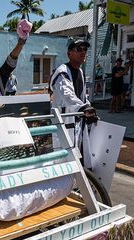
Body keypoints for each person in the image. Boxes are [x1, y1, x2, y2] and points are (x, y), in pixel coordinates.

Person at [49, 39, 98, 168]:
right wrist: (84, 108)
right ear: (69, 53)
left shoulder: (80, 72)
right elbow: (67, 94)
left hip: (76, 121)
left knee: (78, 156)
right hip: (64, 122)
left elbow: (82, 96)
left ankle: (76, 186)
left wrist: (88, 106)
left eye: (85, 50)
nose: (83, 52)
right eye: (78, 49)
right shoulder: (62, 72)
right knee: (63, 160)